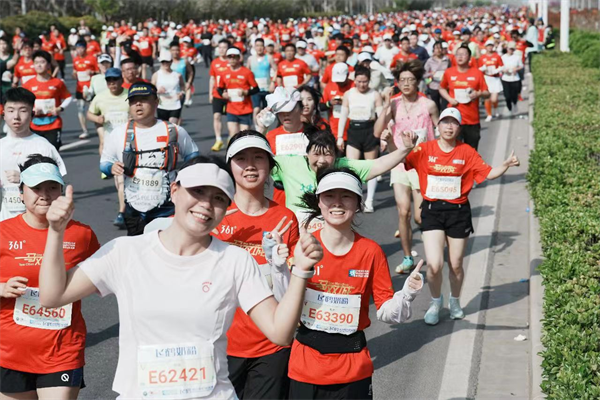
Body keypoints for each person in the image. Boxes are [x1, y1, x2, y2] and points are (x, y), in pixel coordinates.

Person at [38, 155, 324, 399]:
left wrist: (300, 271)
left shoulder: (235, 260)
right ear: (174, 190)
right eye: (197, 191)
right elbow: (53, 297)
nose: (206, 204)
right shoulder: (126, 252)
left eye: (218, 198)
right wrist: (55, 232)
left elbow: (279, 332)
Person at [287, 167, 423, 400]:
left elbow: (387, 312)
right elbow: (283, 304)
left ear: (359, 203)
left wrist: (407, 294)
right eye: (330, 196)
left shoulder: (371, 252)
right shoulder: (302, 248)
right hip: (305, 367)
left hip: (352, 368)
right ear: (319, 202)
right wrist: (275, 265)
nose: (337, 203)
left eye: (346, 196)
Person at [397, 107, 520, 325]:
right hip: (432, 211)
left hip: (458, 213)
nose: (449, 127)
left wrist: (505, 164)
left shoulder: (467, 152)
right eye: (445, 122)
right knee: (434, 265)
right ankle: (436, 302)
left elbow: (488, 173)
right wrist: (396, 143)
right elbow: (401, 159)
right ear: (438, 126)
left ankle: (454, 301)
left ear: (459, 128)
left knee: (455, 265)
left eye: (454, 123)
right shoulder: (425, 149)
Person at [0, 154, 99, 398]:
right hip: (9, 351)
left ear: (62, 191)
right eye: (36, 188)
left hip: (62, 349)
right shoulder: (3, 233)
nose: (45, 195)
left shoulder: (82, 235)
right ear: (21, 193)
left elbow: (104, 278)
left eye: (52, 187)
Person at [217, 131, 300, 400]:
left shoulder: (285, 218)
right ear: (230, 166)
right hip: (220, 344)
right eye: (241, 158)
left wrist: (283, 266)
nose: (250, 165)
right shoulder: (213, 216)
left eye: (258, 158)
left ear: (270, 165)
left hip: (271, 345)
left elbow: (292, 287)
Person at [99, 82, 199, 235]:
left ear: (156, 102)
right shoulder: (119, 133)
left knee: (166, 246)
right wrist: (111, 167)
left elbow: (193, 156)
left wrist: (184, 178)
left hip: (167, 206)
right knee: (137, 247)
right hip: (134, 207)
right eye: (133, 101)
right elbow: (104, 162)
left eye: (144, 99)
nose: (138, 104)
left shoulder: (173, 131)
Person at [271, 128, 419, 231]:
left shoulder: (343, 166)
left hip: (333, 237)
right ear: (306, 154)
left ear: (336, 155)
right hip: (297, 236)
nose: (321, 161)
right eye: (316, 154)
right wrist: (262, 126)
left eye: (327, 154)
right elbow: (261, 161)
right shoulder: (289, 164)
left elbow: (378, 165)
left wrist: (405, 149)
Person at [375, 59, 438, 274]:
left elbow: (441, 131)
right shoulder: (393, 104)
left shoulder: (428, 105)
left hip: (422, 164)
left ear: (417, 81)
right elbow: (377, 131)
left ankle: (434, 247)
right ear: (398, 83)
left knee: (420, 217)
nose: (406, 84)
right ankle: (408, 257)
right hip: (400, 163)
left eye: (410, 80)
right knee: (403, 212)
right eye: (402, 80)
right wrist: (386, 106)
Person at [0, 88, 66, 222]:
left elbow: (57, 185)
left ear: (32, 114)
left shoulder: (44, 147)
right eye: (11, 111)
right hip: (5, 222)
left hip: (38, 222)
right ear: (3, 114)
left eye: (23, 110)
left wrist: (23, 178)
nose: (16, 116)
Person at [336, 66, 383, 213]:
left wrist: (383, 136)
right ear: (354, 80)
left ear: (369, 81)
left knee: (371, 166)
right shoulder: (348, 94)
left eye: (365, 81)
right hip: (354, 130)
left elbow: (381, 117)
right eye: (359, 81)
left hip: (370, 130)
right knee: (352, 167)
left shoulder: (375, 94)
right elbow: (343, 116)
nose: (362, 84)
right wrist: (339, 137)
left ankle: (369, 201)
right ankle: (356, 200)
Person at [439, 44, 489, 150]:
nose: (460, 57)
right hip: (454, 119)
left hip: (472, 119)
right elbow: (441, 88)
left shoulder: (477, 73)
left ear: (469, 57)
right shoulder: (449, 72)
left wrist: (478, 94)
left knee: (471, 151)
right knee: (453, 150)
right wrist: (449, 99)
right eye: (458, 54)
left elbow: (486, 93)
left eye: (463, 54)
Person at [22, 50, 72, 150]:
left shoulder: (57, 83)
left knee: (52, 152)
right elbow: (22, 103)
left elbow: (68, 97)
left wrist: (60, 108)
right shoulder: (28, 84)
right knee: (37, 153)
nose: (39, 65)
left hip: (53, 124)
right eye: (36, 63)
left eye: (42, 62)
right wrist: (32, 110)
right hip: (34, 125)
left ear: (49, 65)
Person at [218, 47, 259, 138]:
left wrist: (246, 92)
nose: (232, 59)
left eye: (234, 57)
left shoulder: (247, 72)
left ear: (239, 58)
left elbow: (256, 89)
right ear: (227, 58)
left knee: (244, 136)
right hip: (231, 108)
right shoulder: (224, 73)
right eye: (230, 57)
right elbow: (219, 88)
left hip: (245, 109)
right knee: (233, 134)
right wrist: (223, 94)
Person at [321, 63, 354, 147]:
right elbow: (321, 107)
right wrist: (330, 103)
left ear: (347, 75)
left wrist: (345, 103)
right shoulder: (329, 86)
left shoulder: (354, 86)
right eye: (337, 81)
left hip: (353, 130)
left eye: (341, 81)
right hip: (335, 131)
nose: (339, 83)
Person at [72, 40, 99, 140]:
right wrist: (74, 74)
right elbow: (74, 73)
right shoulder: (75, 60)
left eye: (81, 48)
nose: (79, 50)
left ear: (85, 48)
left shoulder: (92, 58)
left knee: (95, 109)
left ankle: (99, 126)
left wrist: (92, 72)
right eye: (77, 48)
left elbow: (98, 71)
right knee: (80, 110)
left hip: (91, 88)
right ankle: (85, 130)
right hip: (80, 88)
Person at [247, 38, 277, 126]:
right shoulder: (250, 59)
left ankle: (264, 128)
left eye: (261, 46)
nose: (259, 48)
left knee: (266, 111)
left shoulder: (269, 58)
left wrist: (273, 82)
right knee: (256, 109)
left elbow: (276, 70)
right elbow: (246, 72)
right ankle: (257, 127)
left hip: (266, 88)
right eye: (257, 46)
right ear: (254, 47)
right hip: (255, 89)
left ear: (264, 47)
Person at [208, 39, 231, 152]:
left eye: (224, 47)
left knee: (230, 118)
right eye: (220, 47)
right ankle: (218, 140)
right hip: (217, 94)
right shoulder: (215, 62)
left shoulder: (232, 62)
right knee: (216, 116)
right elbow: (212, 78)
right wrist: (210, 93)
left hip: (230, 95)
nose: (222, 50)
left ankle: (231, 137)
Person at [152, 51, 185, 125]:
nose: (165, 64)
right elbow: (151, 89)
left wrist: (182, 93)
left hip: (175, 104)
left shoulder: (177, 75)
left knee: (172, 125)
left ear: (171, 61)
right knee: (164, 126)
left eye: (167, 62)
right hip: (162, 105)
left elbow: (182, 85)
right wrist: (157, 91)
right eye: (163, 62)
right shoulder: (156, 75)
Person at [478, 40, 503, 122]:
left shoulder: (497, 56)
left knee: (494, 99)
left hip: (495, 79)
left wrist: (497, 70)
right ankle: (489, 115)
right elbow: (478, 68)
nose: (490, 47)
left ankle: (495, 108)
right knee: (487, 98)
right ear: (486, 47)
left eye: (491, 46)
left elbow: (502, 66)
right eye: (488, 46)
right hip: (486, 78)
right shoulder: (482, 58)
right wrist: (483, 69)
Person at [424, 41, 450, 112]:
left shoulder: (447, 59)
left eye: (440, 48)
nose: (438, 50)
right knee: (435, 106)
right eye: (436, 48)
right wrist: (431, 74)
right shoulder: (430, 61)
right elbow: (424, 74)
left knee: (445, 106)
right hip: (434, 86)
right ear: (433, 50)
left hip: (444, 86)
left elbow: (451, 70)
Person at [501, 42, 524, 115]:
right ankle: (509, 107)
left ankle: (515, 104)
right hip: (505, 79)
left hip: (515, 79)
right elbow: (500, 67)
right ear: (507, 48)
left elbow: (521, 66)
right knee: (507, 96)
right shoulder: (503, 57)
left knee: (514, 95)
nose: (510, 50)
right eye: (509, 49)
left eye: (512, 49)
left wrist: (516, 69)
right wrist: (504, 70)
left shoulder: (517, 57)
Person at [0, 36, 18, 104]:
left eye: (4, 44)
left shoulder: (12, 58)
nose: (2, 46)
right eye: (0, 44)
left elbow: (14, 64)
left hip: (10, 86)